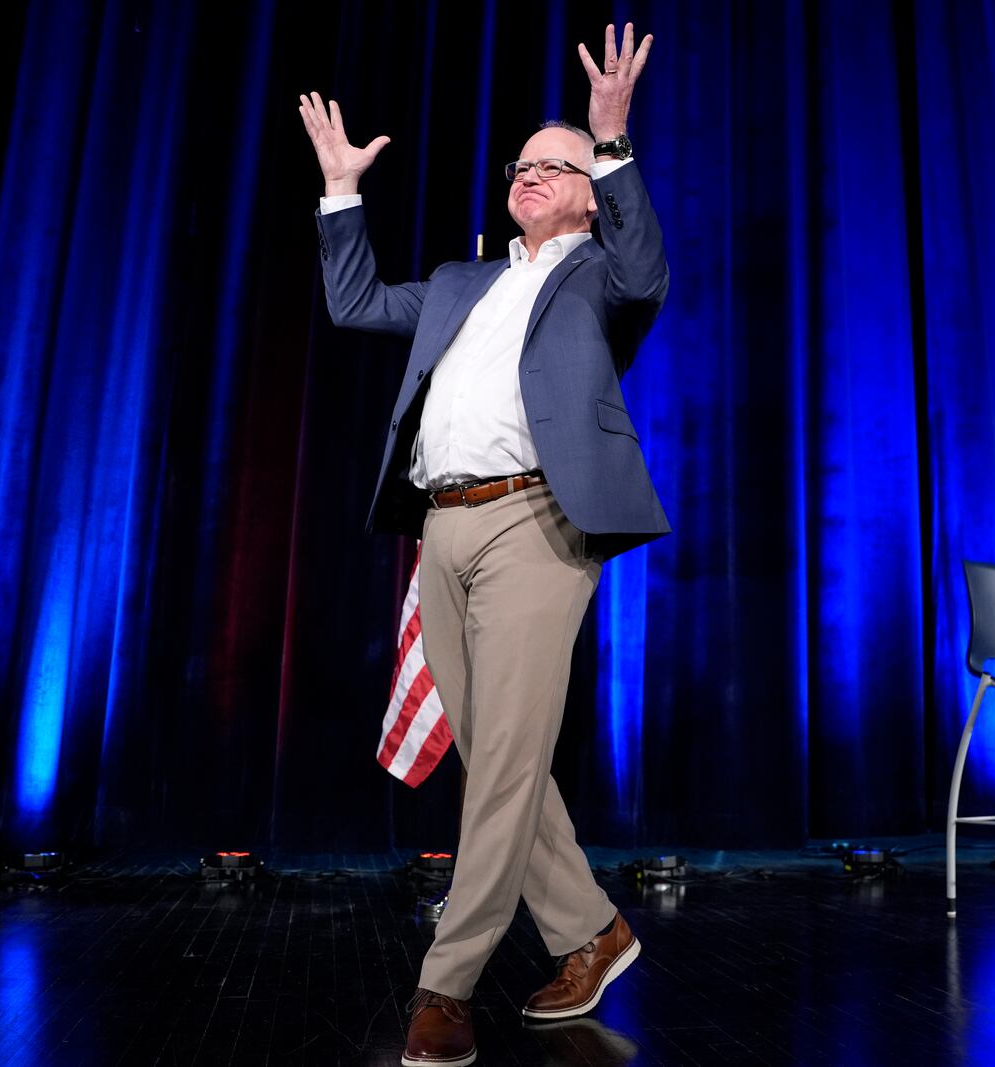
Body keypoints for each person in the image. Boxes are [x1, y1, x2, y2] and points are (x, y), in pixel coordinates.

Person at [298, 22, 667, 1067]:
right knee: (493, 755)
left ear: (589, 190)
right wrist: (339, 194)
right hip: (442, 525)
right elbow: (355, 301)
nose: (532, 177)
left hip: (535, 521)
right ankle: (592, 929)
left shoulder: (598, 276)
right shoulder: (460, 282)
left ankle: (445, 982)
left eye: (559, 167)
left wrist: (612, 140)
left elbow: (648, 270)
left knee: (506, 755)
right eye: (523, 165)